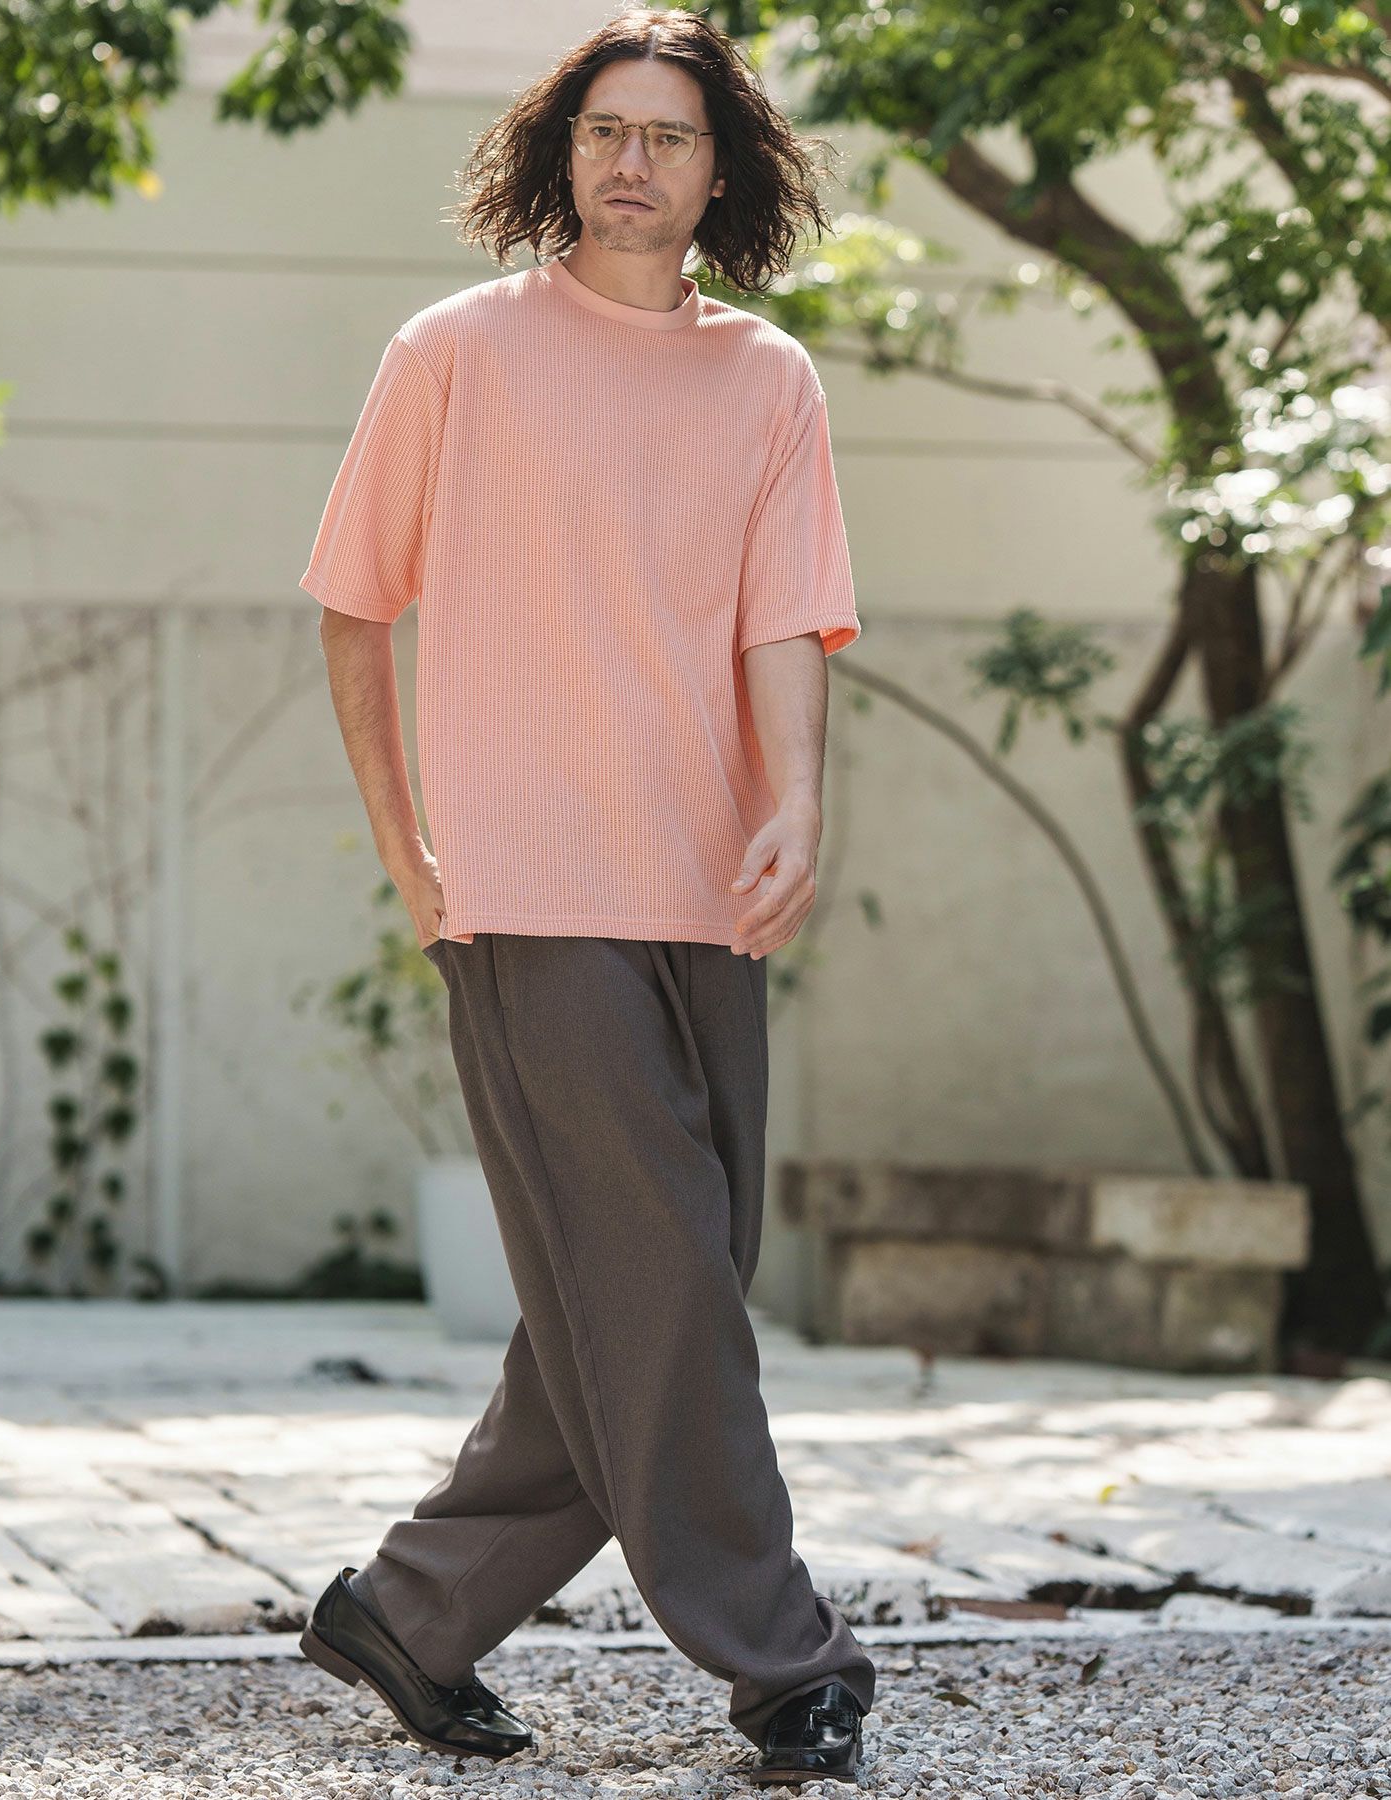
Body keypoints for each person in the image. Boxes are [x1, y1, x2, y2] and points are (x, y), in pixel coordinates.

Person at [295, 5, 875, 1786]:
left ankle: (413, 1610)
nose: (634, 160)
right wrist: (406, 847)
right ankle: (785, 1662)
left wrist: (798, 803)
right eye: (606, 129)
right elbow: (353, 605)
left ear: (722, 169)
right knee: (663, 1288)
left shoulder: (768, 379)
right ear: (561, 151)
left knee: (648, 1281)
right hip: (529, 890)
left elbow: (783, 619)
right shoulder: (455, 352)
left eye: (669, 134)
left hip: (705, 885)